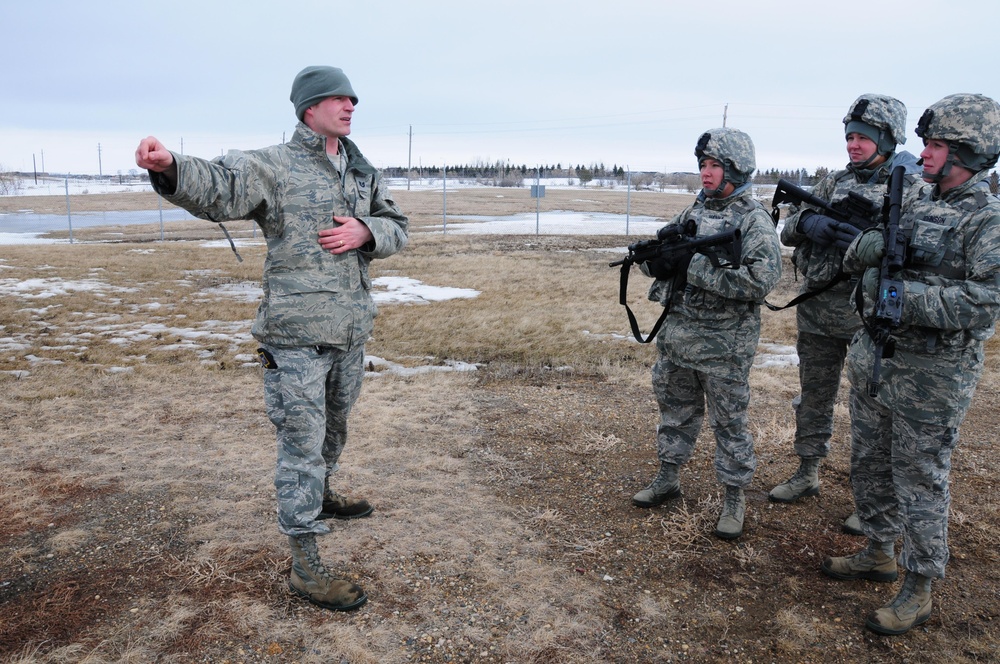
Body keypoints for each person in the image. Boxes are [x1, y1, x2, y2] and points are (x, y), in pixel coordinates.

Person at [135, 65, 409, 612]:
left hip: (349, 329)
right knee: (301, 446)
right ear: (308, 108)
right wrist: (170, 167)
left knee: (334, 428)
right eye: (337, 98)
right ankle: (306, 565)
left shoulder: (358, 168)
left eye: (353, 98)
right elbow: (222, 186)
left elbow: (397, 225)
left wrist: (368, 231)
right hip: (297, 338)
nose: (350, 105)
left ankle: (323, 496)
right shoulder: (273, 165)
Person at [822, 93, 1000, 635]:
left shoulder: (987, 218)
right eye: (925, 142)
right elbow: (856, 259)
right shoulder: (913, 198)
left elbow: (984, 302)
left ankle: (919, 587)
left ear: (968, 152)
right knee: (870, 465)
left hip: (933, 378)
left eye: (938, 144)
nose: (925, 152)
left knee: (920, 483)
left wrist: (902, 297)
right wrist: (867, 250)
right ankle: (879, 551)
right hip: (877, 360)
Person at [769, 94, 921, 536]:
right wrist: (810, 225)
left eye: (863, 139)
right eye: (850, 137)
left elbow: (910, 254)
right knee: (813, 398)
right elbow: (788, 226)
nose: (854, 145)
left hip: (867, 321)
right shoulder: (832, 183)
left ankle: (870, 502)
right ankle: (807, 471)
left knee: (871, 413)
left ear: (888, 140)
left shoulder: (906, 190)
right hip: (817, 312)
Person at [631, 128, 782, 540]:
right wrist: (651, 259)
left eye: (715, 165)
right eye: (703, 164)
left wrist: (691, 267)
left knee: (729, 422)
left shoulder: (753, 219)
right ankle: (668, 476)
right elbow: (667, 252)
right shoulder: (694, 210)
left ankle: (734, 496)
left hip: (724, 345)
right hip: (679, 336)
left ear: (736, 168)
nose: (706, 172)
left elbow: (761, 281)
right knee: (675, 410)